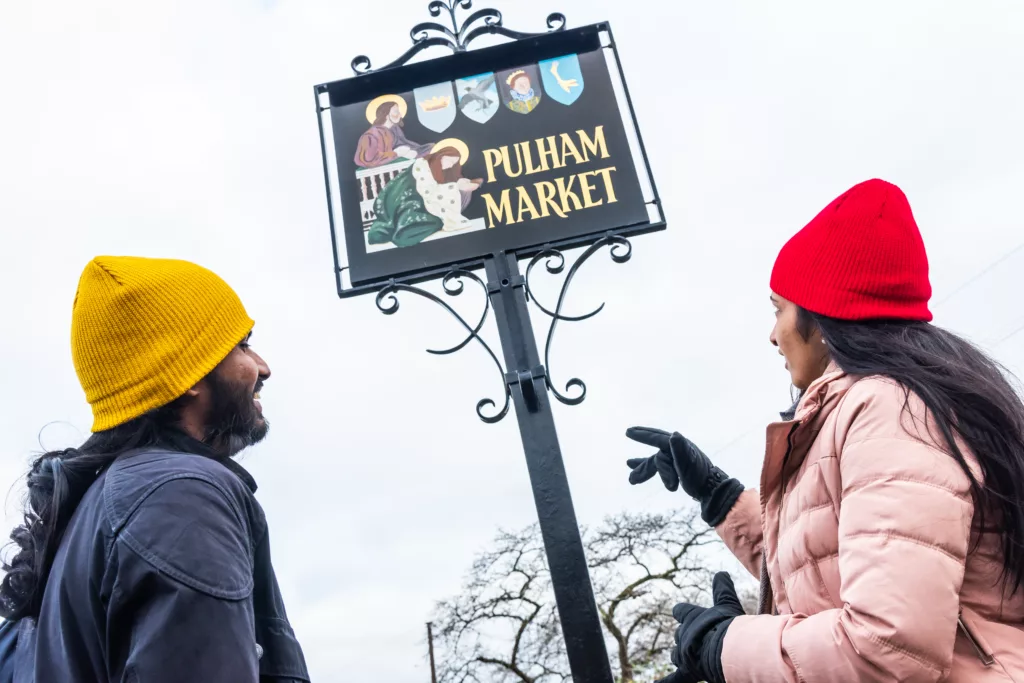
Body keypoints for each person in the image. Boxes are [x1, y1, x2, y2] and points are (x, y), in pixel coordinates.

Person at [626, 179, 1024, 682]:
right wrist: (720, 497)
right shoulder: (879, 406)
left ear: (822, 311)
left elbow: (885, 644)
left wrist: (724, 648)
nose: (773, 334)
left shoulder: (888, 411)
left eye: (778, 308)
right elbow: (829, 577)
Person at [0, 256, 310, 681]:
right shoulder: (181, 495)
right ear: (186, 373)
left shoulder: (103, 503)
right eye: (241, 344)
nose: (262, 366)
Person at [368, 142, 482, 248]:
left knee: (436, 221)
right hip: (407, 203)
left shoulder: (441, 170)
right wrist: (455, 186)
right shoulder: (422, 164)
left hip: (421, 203)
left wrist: (462, 184)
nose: (449, 166)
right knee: (432, 222)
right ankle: (402, 231)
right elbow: (427, 191)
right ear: (441, 155)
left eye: (453, 164)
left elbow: (441, 187)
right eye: (449, 161)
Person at [354, 99, 433, 169]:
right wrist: (396, 153)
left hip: (401, 159)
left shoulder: (395, 129)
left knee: (431, 147)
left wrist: (414, 151)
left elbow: (403, 144)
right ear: (386, 115)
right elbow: (369, 159)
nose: (400, 115)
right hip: (388, 167)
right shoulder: (372, 135)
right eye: (396, 112)